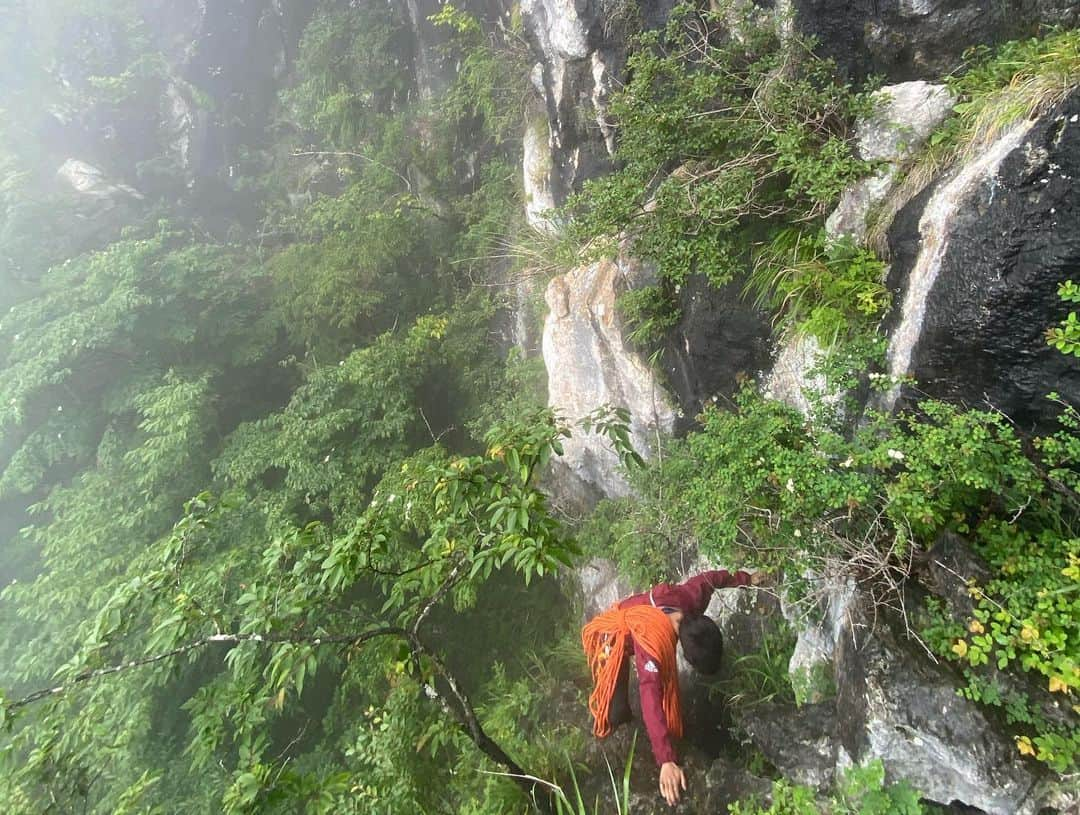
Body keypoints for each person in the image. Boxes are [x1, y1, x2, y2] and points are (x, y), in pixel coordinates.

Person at [581, 569, 760, 806]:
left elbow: (711, 579)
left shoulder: (689, 601)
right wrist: (666, 760)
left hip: (637, 620)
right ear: (686, 656)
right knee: (616, 713)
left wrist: (747, 579)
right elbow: (650, 698)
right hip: (611, 636)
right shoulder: (653, 645)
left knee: (657, 699)